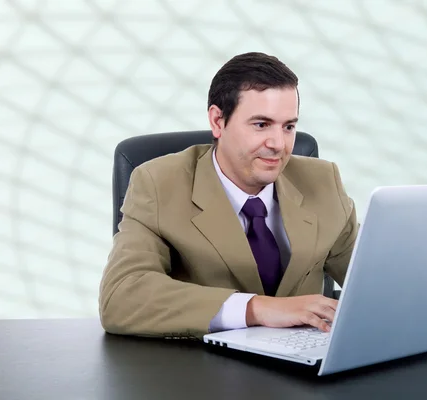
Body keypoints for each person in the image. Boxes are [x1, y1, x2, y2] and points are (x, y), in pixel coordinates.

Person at [99, 52, 358, 339]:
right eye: (261, 125)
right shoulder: (158, 184)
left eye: (288, 127)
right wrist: (256, 308)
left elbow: (376, 281)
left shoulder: (323, 182)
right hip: (201, 371)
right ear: (218, 121)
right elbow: (122, 296)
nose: (278, 144)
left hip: (305, 370)